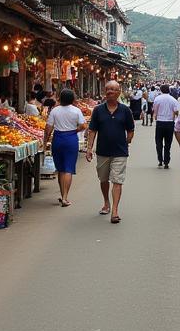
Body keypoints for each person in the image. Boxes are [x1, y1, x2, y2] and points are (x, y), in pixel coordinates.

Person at [85, 81, 135, 224]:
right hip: (102, 152)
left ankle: (115, 210)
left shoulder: (125, 110)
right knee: (103, 179)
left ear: (119, 92)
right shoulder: (98, 110)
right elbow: (92, 130)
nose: (110, 92)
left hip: (120, 152)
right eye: (108, 89)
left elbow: (130, 130)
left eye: (113, 89)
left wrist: (127, 141)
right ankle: (106, 202)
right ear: (104, 92)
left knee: (117, 180)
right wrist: (89, 148)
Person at [45, 88, 87, 207]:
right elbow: (83, 125)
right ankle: (65, 197)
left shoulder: (55, 111)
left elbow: (48, 127)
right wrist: (75, 130)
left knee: (60, 169)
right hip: (71, 139)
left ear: (60, 98)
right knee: (68, 168)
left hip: (58, 139)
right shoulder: (76, 110)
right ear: (72, 99)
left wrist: (45, 141)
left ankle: (63, 195)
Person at [151, 84, 178, 169]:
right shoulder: (173, 100)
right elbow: (176, 111)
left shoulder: (157, 99)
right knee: (168, 143)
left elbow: (155, 110)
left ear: (161, 90)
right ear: (169, 90)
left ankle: (160, 160)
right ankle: (166, 162)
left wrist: (155, 116)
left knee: (158, 142)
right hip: (170, 123)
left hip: (160, 122)